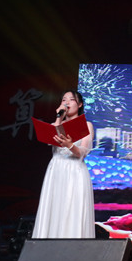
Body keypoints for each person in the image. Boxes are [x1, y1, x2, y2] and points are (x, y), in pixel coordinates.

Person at [33, 90, 96, 238]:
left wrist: (70, 145)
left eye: (71, 99)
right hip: (56, 169)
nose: (66, 102)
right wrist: (59, 118)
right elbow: (50, 139)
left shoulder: (86, 125)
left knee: (73, 207)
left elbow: (82, 152)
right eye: (63, 100)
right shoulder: (56, 124)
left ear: (79, 104)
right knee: (54, 206)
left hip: (75, 169)